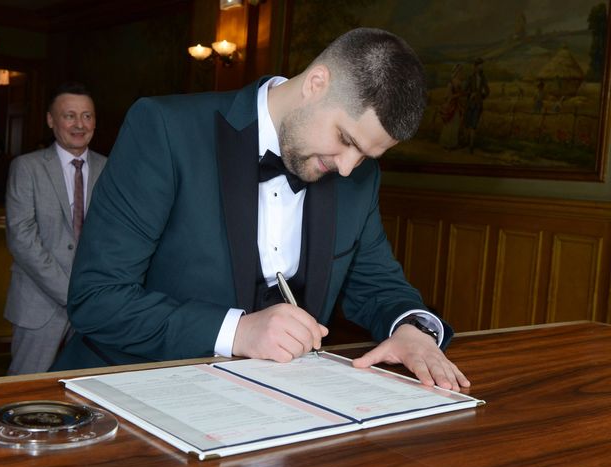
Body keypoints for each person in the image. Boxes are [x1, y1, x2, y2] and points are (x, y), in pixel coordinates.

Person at [53, 28, 470, 391]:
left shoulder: (356, 176)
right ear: (316, 83)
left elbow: (378, 284)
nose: (347, 168)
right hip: (135, 390)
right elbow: (96, 298)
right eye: (346, 139)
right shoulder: (164, 129)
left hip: (274, 408)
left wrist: (413, 330)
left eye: (366, 155)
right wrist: (237, 332)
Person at [4, 82, 107, 374]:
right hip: (39, 306)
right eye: (69, 115)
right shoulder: (27, 168)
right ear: (51, 120)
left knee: (84, 392)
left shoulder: (109, 169)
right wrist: (72, 294)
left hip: (96, 307)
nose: (79, 124)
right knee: (25, 391)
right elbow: (22, 239)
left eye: (87, 116)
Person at [464, 57, 490, 153]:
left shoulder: (483, 78)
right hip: (470, 104)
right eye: (479, 65)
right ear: (475, 66)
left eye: (481, 65)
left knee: (474, 125)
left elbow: (487, 91)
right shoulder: (470, 77)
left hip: (478, 105)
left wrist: (481, 96)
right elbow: (464, 90)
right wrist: (470, 94)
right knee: (467, 124)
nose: (481, 67)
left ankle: (471, 146)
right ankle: (467, 142)